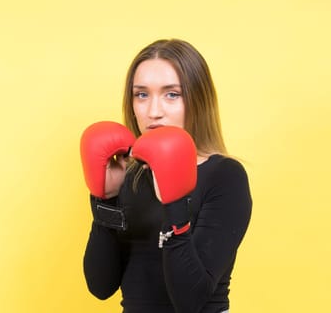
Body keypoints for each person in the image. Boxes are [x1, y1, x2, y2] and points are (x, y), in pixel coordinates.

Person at [80, 39, 252, 313]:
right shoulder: (131, 176)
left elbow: (190, 300)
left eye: (172, 94)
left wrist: (174, 204)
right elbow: (101, 286)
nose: (153, 112)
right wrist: (106, 200)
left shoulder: (225, 176)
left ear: (197, 100)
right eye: (142, 94)